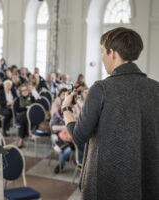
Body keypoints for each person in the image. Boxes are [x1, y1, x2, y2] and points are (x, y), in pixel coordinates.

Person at [62, 27, 159, 199]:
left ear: (112, 53)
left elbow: (78, 136)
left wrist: (66, 109)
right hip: (145, 180)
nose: (102, 58)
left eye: (102, 52)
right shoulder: (155, 89)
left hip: (105, 183)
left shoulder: (101, 89)